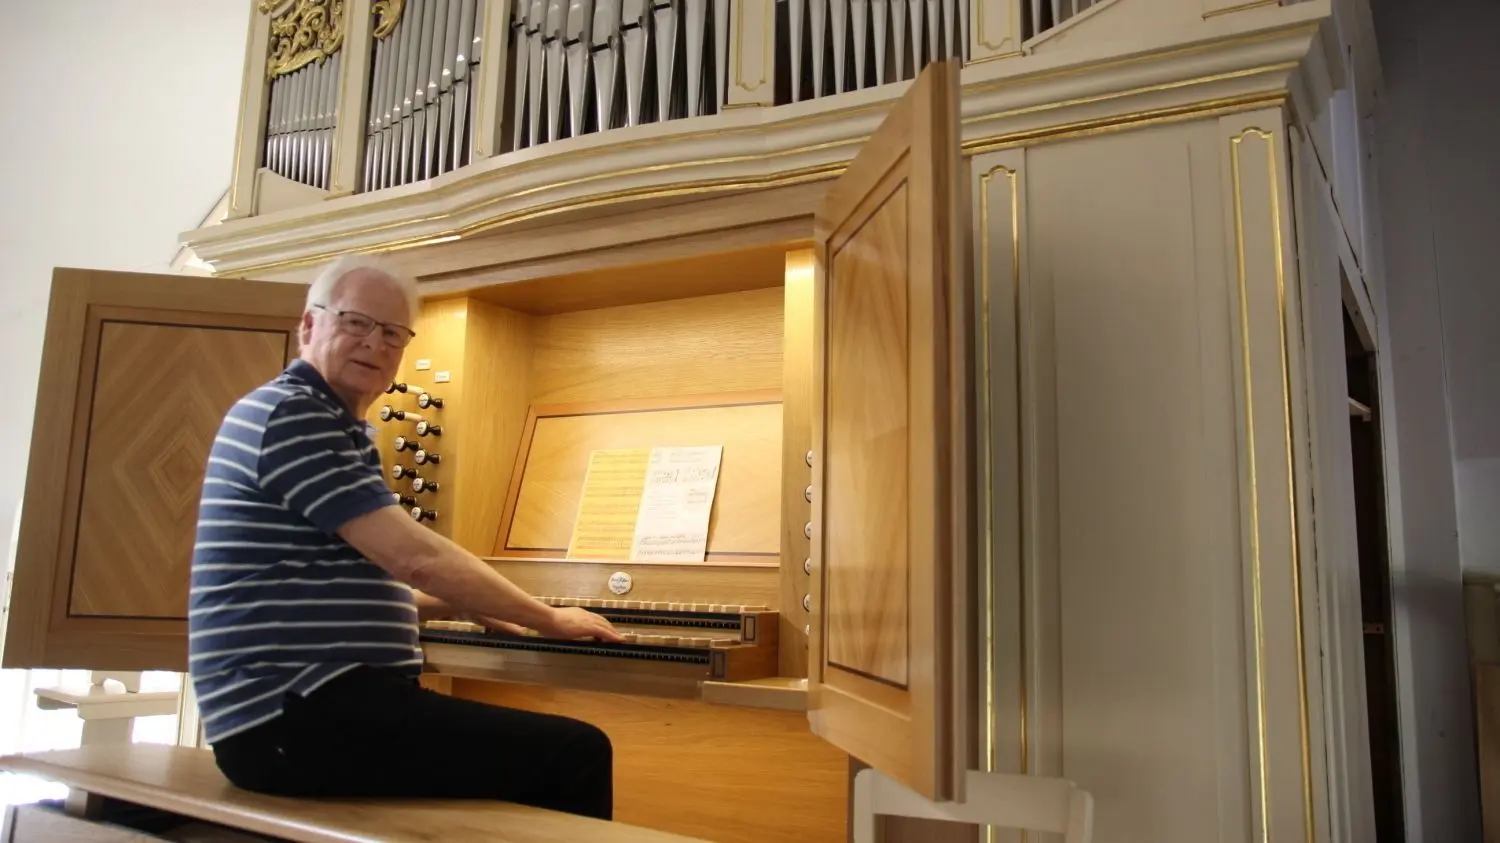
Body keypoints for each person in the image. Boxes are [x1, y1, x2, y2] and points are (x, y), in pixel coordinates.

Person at [188, 254, 623, 820]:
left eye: (393, 333)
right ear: (308, 326)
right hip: (290, 714)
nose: (375, 343)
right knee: (576, 752)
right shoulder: (295, 414)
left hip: (306, 705)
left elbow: (328, 586)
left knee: (520, 756)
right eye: (356, 323)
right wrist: (550, 618)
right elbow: (416, 557)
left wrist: (458, 604)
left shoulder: (329, 422)